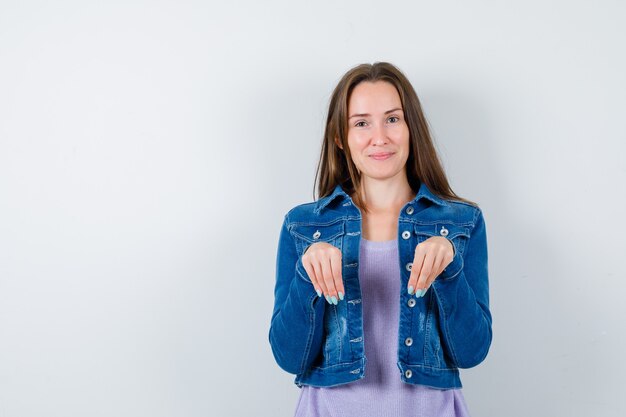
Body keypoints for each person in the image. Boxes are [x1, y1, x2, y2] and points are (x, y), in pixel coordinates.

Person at [268, 62, 492, 417]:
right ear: (341, 138)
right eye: (361, 123)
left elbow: (472, 352)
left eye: (392, 119)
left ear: (410, 128)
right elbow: (288, 356)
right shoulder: (304, 225)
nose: (380, 137)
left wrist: (450, 269)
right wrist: (306, 275)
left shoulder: (462, 222)